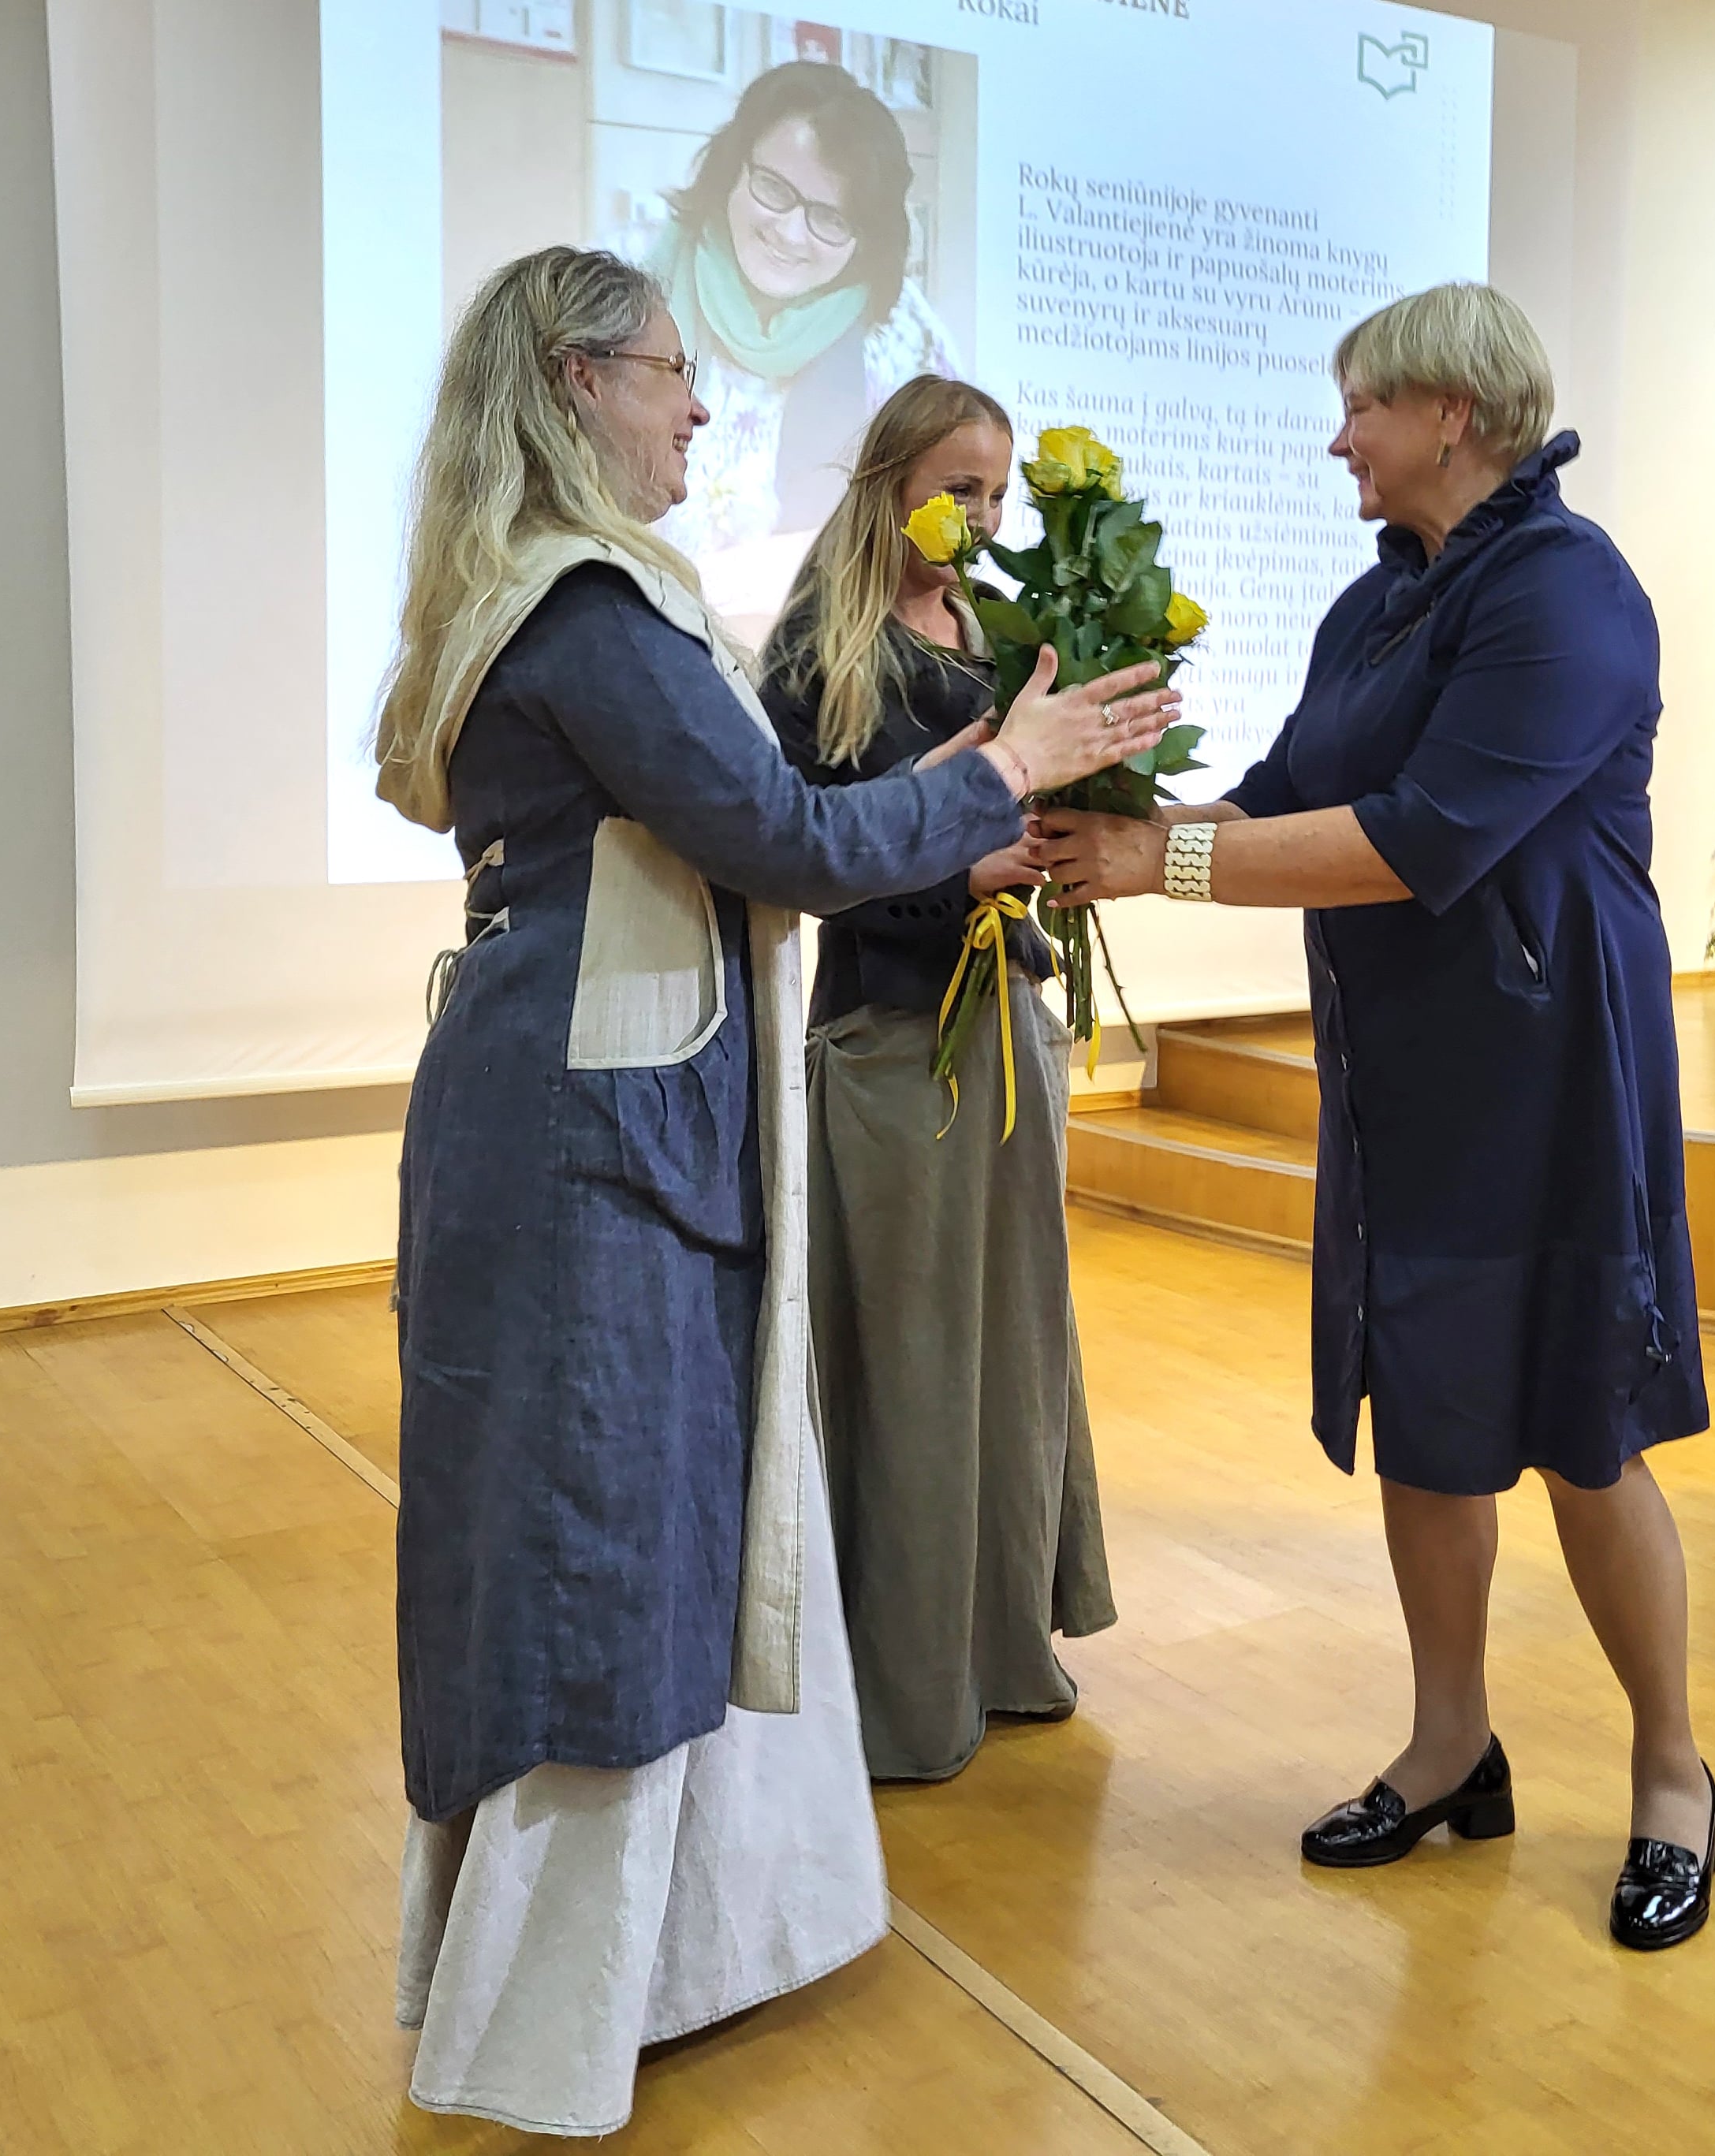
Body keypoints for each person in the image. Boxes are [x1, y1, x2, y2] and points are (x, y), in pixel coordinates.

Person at [372, 245, 1172, 2135]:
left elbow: (756, 834)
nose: (701, 402)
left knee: (622, 1528)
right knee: (597, 1538)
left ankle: (651, 1964)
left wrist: (964, 785)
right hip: (591, 1146)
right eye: (670, 368)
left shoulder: (545, 595)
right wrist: (1008, 768)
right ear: (573, 384)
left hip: (578, 1114)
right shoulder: (585, 607)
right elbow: (785, 841)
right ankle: (555, 2015)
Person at [1032, 282, 1715, 1953]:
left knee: (1579, 1431)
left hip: (1550, 1079)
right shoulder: (1373, 604)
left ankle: (1670, 1772)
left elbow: (1422, 838)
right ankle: (1447, 1744)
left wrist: (1152, 859)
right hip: (1407, 1073)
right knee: (1425, 1414)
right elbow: (1281, 800)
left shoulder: (1568, 593)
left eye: (1360, 407)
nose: (1336, 438)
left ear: (1451, 417)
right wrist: (1086, 821)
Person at [757, 374, 1116, 1783]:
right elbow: (809, 867)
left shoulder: (1003, 637)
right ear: (889, 481)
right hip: (892, 1043)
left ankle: (1002, 1647)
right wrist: (951, 874)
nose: (981, 515)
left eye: (999, 493)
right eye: (958, 488)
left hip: (1010, 1027)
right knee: (909, 1359)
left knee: (1012, 1345)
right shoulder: (819, 655)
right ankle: (905, 1690)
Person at [619, 61, 957, 590]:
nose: (791, 234)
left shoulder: (910, 340)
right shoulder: (627, 275)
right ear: (734, 168)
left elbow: (939, 544)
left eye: (830, 219)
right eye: (774, 189)